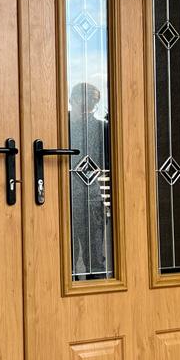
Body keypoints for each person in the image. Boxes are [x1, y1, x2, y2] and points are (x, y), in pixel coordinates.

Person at [68, 82, 112, 279]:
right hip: (65, 201)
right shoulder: (61, 127)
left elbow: (111, 164)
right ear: (72, 100)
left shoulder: (103, 129)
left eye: (93, 104)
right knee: (65, 259)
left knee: (95, 259)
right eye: (85, 102)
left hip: (91, 200)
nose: (88, 108)